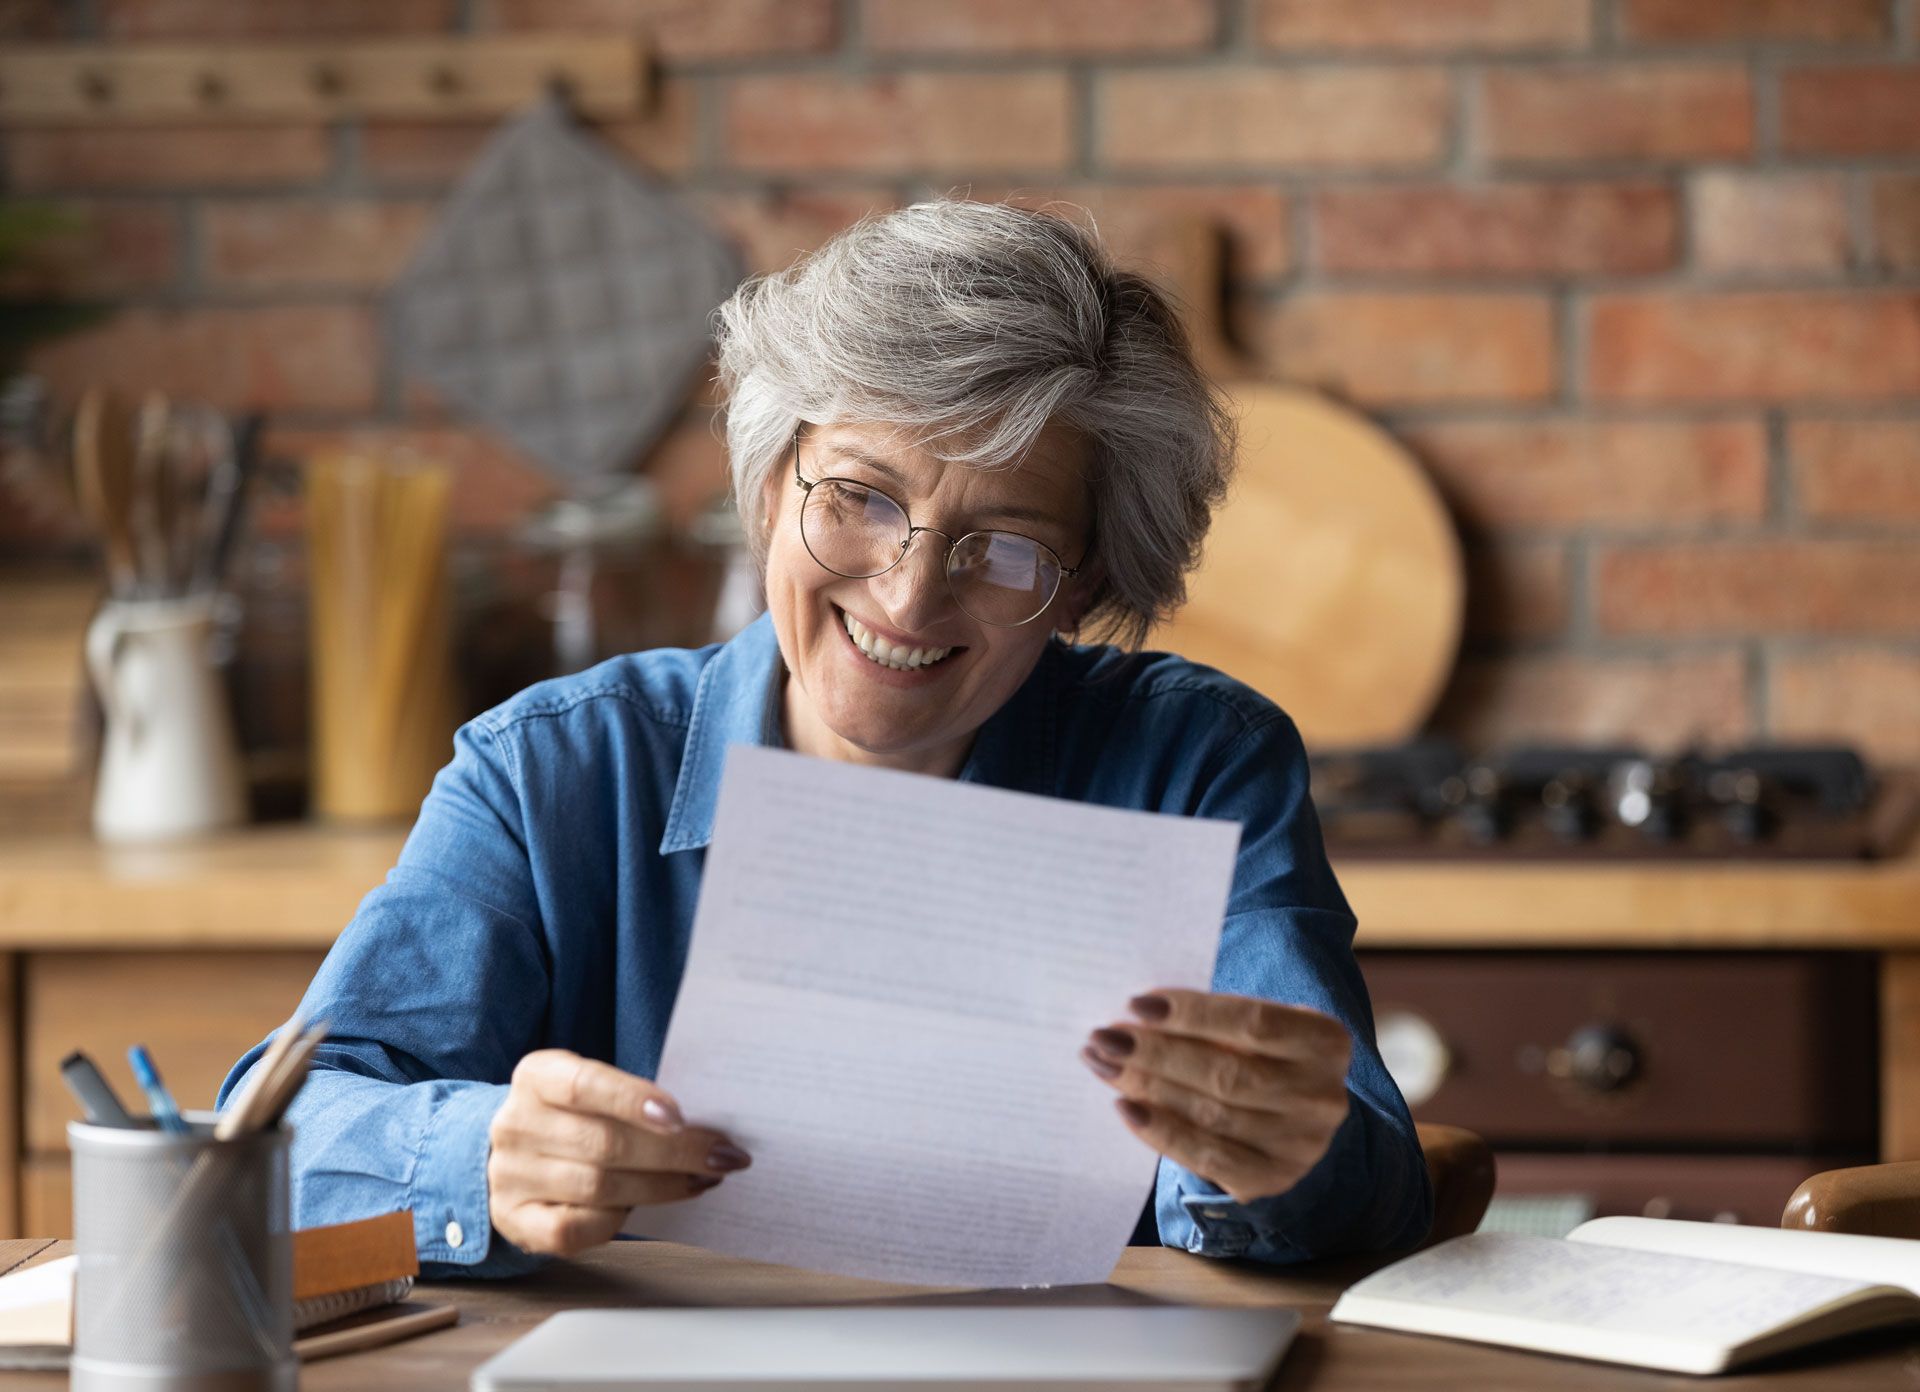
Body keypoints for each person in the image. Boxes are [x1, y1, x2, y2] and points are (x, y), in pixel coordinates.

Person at [220, 199, 1431, 1277]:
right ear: (766, 484)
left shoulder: (1195, 767)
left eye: (1005, 545)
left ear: (1086, 584)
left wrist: (1273, 1152)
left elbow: (1368, 1170)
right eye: (859, 496)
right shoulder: (553, 773)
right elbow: (268, 1144)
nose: (908, 598)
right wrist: (477, 1155)